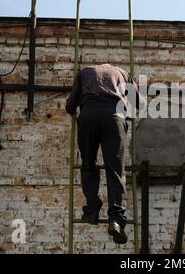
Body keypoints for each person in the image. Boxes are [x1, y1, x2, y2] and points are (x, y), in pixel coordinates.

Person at [65, 63, 144, 244]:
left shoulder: (84, 73)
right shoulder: (123, 73)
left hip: (88, 116)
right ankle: (116, 220)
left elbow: (70, 106)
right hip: (115, 117)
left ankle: (92, 209)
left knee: (88, 164)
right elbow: (139, 103)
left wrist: (75, 109)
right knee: (115, 169)